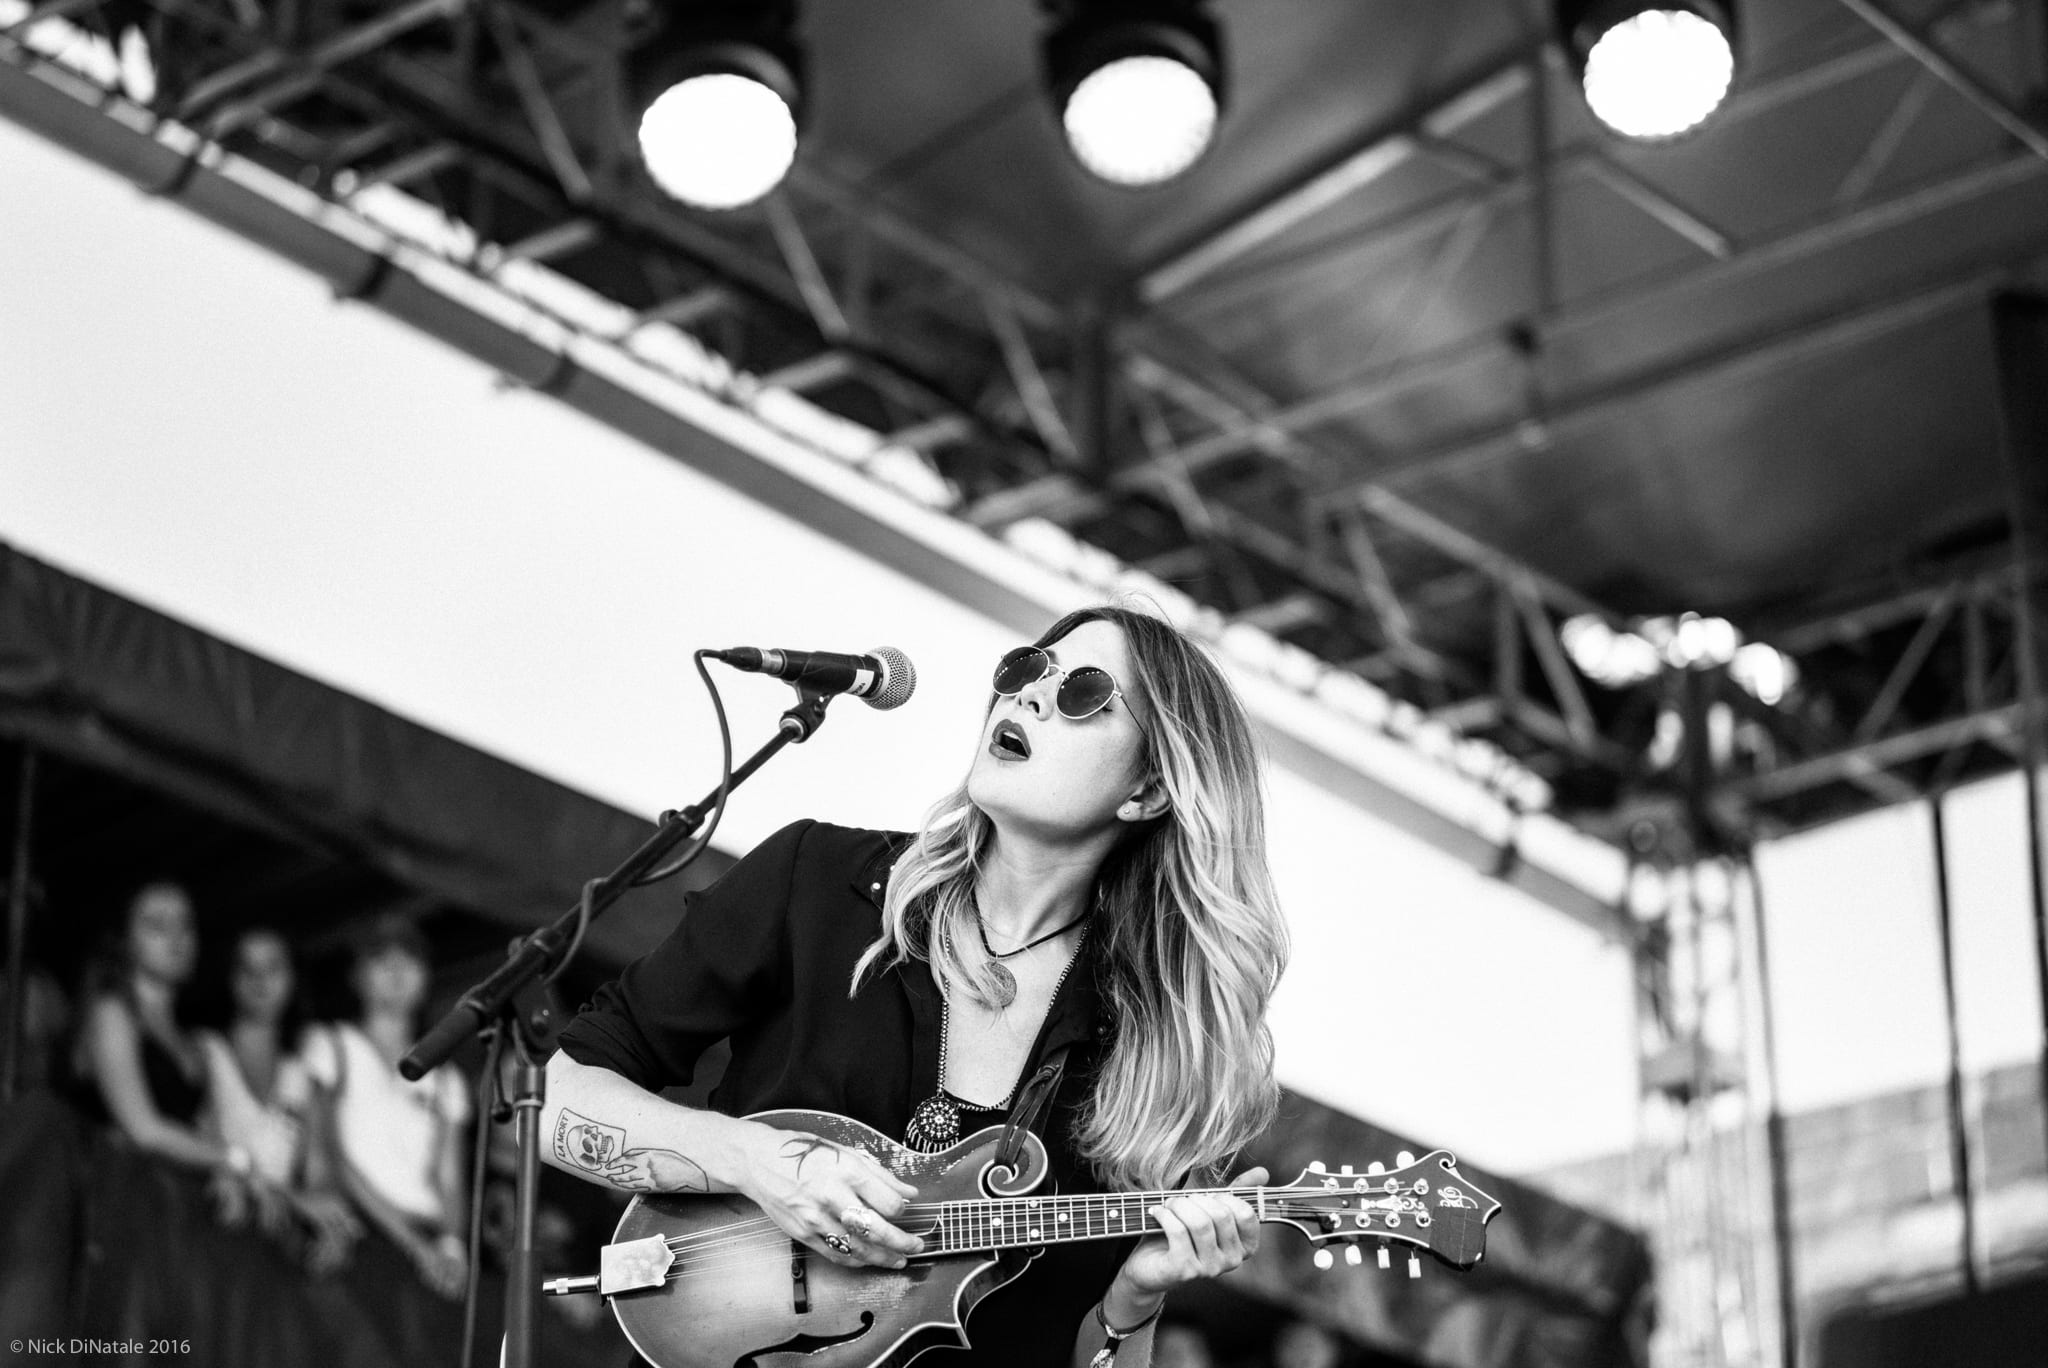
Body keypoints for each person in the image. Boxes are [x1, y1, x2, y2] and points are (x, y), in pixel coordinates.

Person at [543, 604, 1290, 1368]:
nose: (1030, 694)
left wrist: (1135, 1301)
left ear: (1147, 792)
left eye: (1084, 693)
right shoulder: (821, 881)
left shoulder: (1154, 1054)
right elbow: (555, 1100)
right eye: (1029, 667)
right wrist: (754, 1161)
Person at [304, 914, 478, 1363]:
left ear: (425, 976)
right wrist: (416, 1247)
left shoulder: (445, 1078)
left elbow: (451, 1180)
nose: (397, 971)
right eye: (381, 958)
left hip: (429, 1249)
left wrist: (452, 1245)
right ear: (357, 974)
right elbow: (329, 1154)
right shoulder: (331, 1044)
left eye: (410, 959)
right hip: (364, 1238)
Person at [198, 926, 361, 1269]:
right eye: (246, 968)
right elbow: (202, 1144)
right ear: (228, 977)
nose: (259, 980)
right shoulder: (206, 1049)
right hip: (209, 1224)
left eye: (273, 967)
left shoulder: (301, 1067)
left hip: (269, 1246)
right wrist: (291, 1197)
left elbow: (317, 1166)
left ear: (293, 978)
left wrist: (329, 1219)